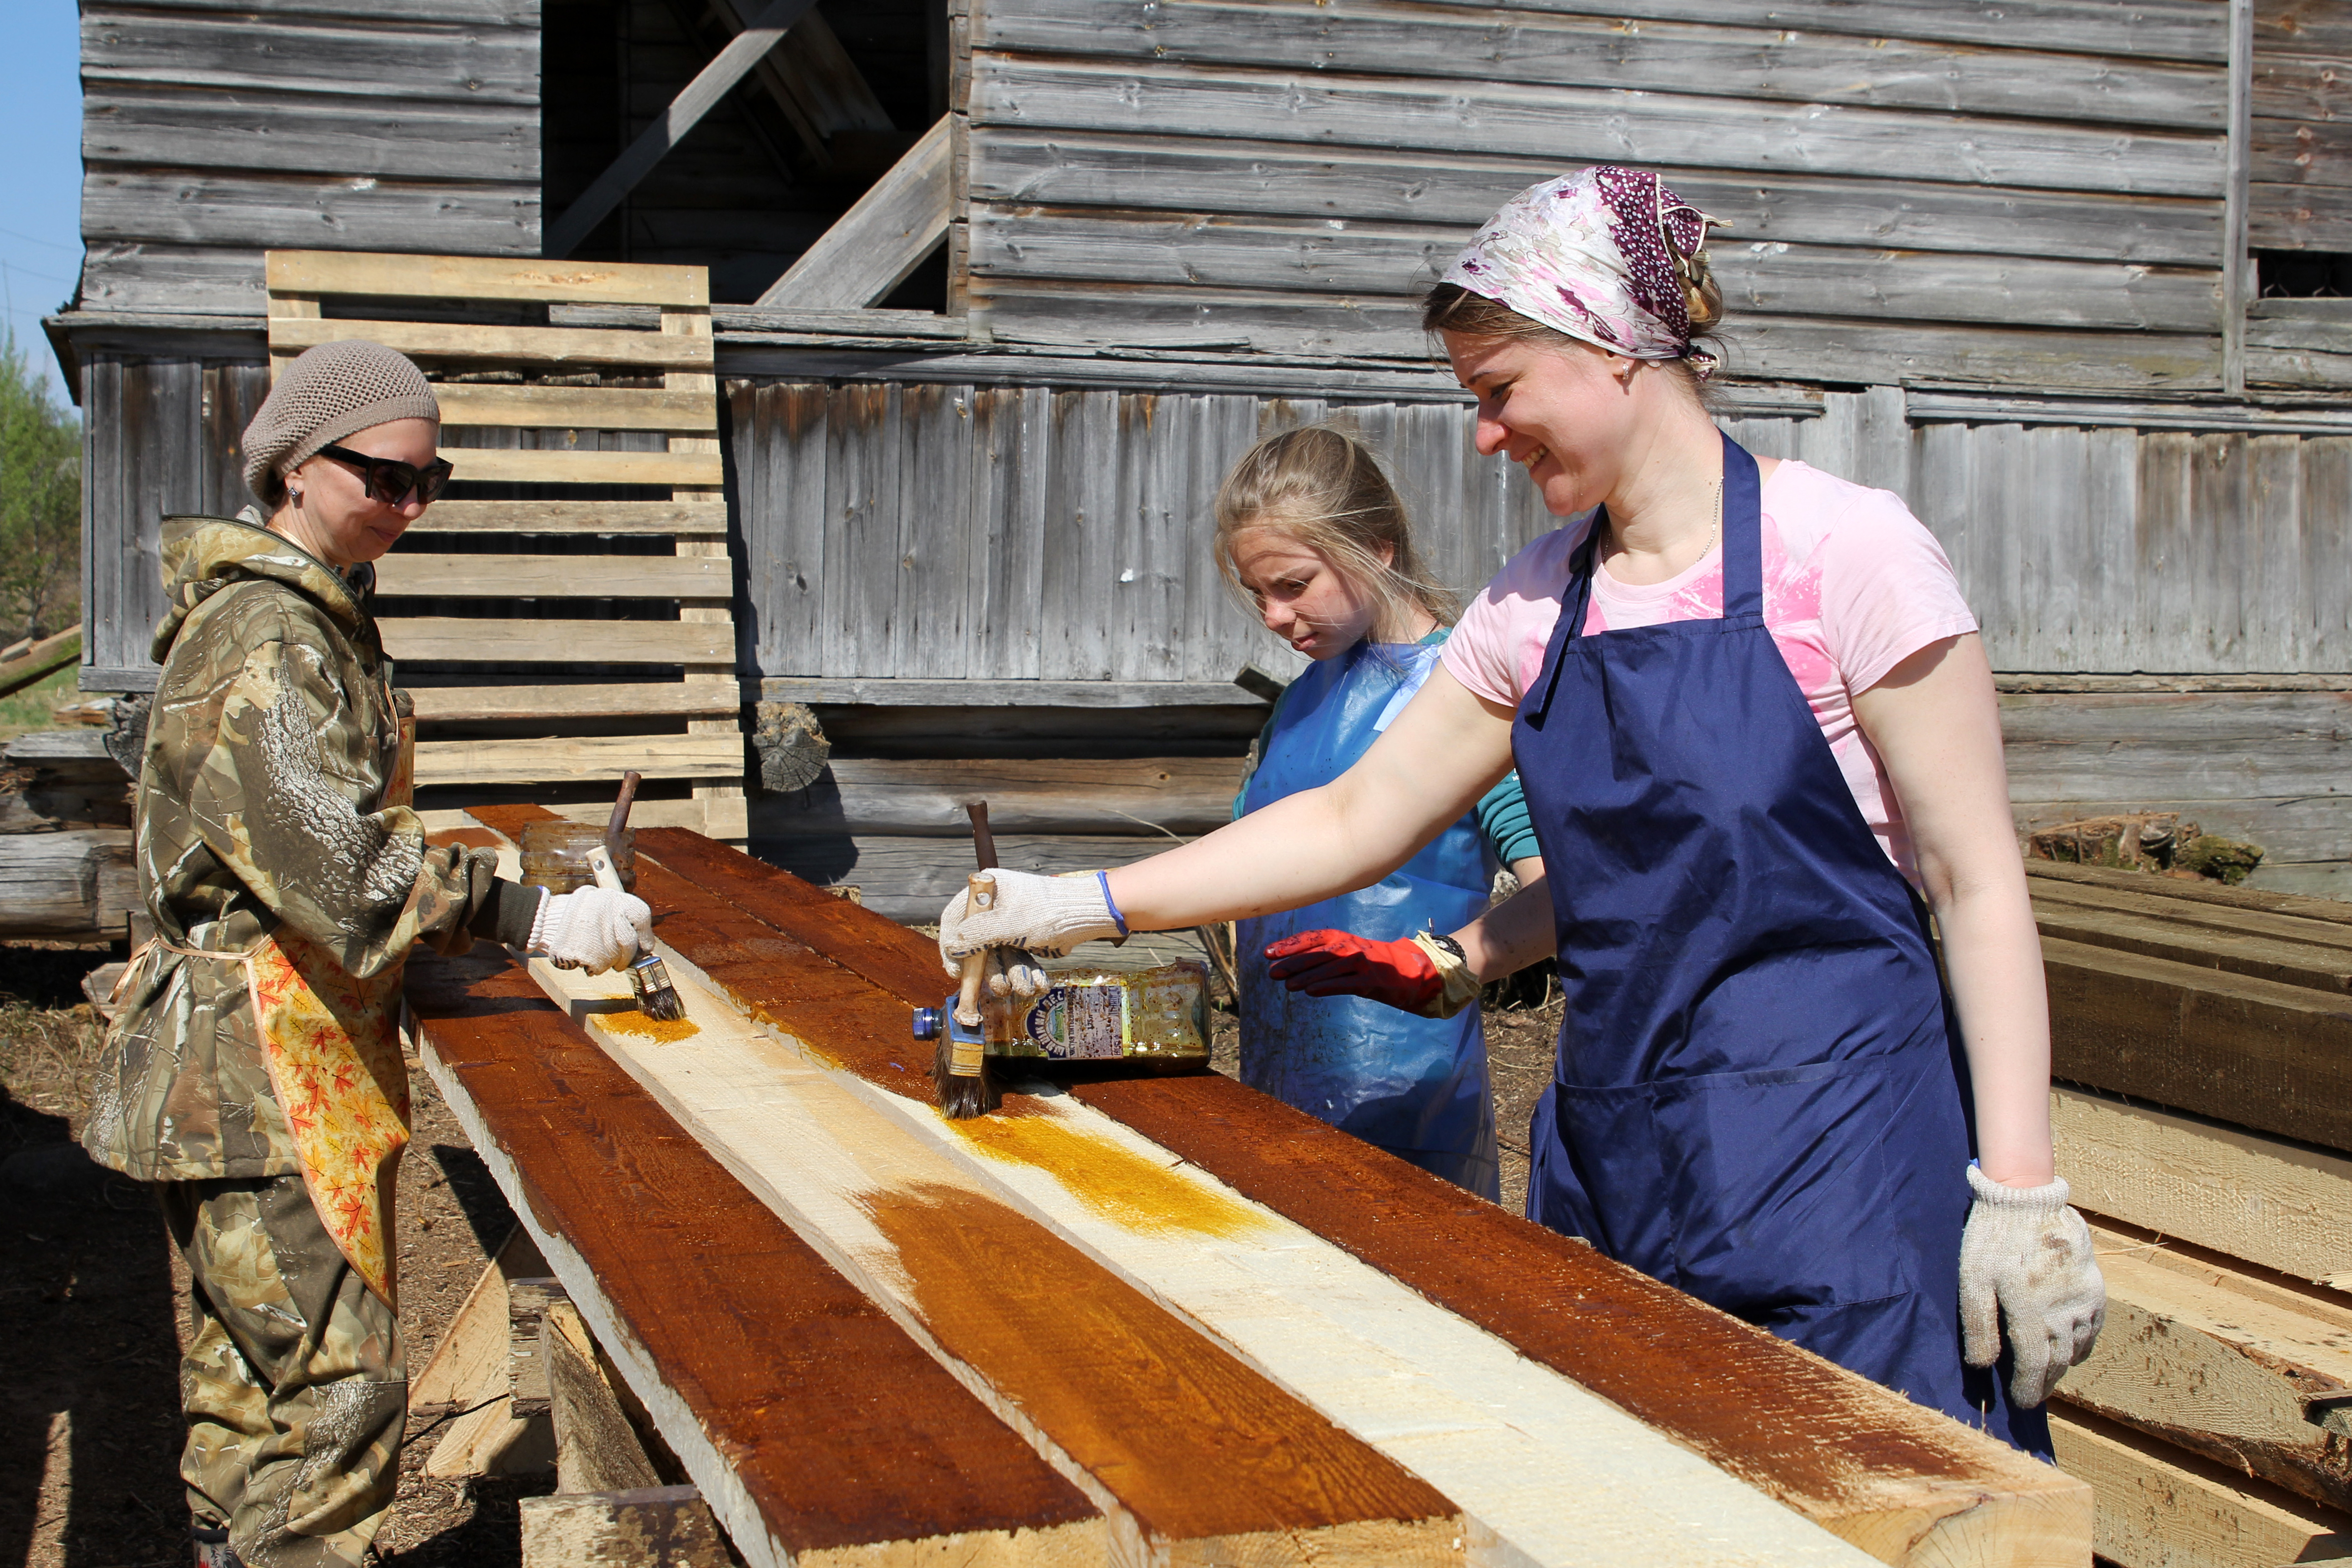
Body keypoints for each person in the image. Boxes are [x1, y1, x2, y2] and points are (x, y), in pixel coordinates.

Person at [935, 167, 2104, 1453]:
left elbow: (1976, 881)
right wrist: (1078, 903)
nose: (1486, 436)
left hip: (1845, 1170)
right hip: (1622, 1164)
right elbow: (1352, 818)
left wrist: (2021, 1192)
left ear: (1611, 350)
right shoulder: (1537, 605)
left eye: (1499, 392)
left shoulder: (1849, 555)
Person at [79, 340, 656, 1568]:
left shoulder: (303, 618)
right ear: (294, 466)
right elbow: (337, 869)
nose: (407, 506)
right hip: (265, 1061)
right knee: (334, 1397)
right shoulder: (270, 641)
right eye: (382, 478)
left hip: (269, 1052)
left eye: (426, 482)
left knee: (254, 1374)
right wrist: (529, 919)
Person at [1215, 426, 1544, 1200]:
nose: (1271, 616)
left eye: (1293, 585)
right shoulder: (1301, 699)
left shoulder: (1465, 700)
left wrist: (1440, 968)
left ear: (1376, 548)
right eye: (1257, 593)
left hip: (1407, 1112)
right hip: (1279, 1078)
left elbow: (1557, 888)